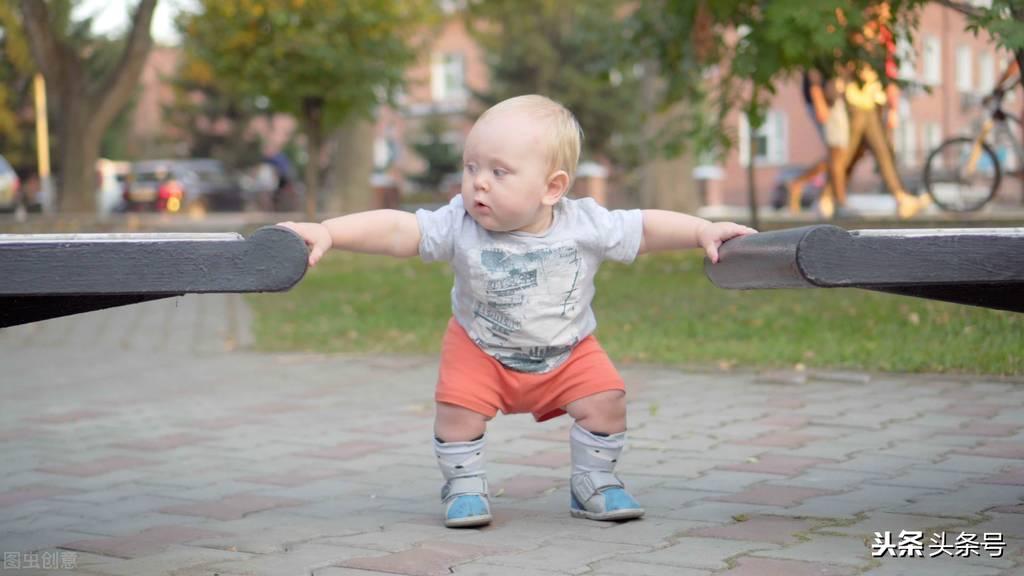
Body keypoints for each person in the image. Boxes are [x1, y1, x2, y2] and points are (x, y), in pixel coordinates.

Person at [279, 95, 756, 528]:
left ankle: (594, 481)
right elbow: (398, 230)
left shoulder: (585, 223)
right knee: (457, 414)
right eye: (471, 167)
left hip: (568, 351)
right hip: (479, 348)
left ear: (552, 188)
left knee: (607, 401)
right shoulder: (459, 222)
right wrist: (331, 232)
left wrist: (701, 231)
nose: (479, 182)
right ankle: (464, 485)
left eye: (499, 172)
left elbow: (645, 229)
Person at [787, 67, 850, 216]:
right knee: (836, 152)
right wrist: (818, 100)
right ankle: (839, 201)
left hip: (833, 100)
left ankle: (800, 184)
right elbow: (814, 70)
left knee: (838, 154)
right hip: (827, 103)